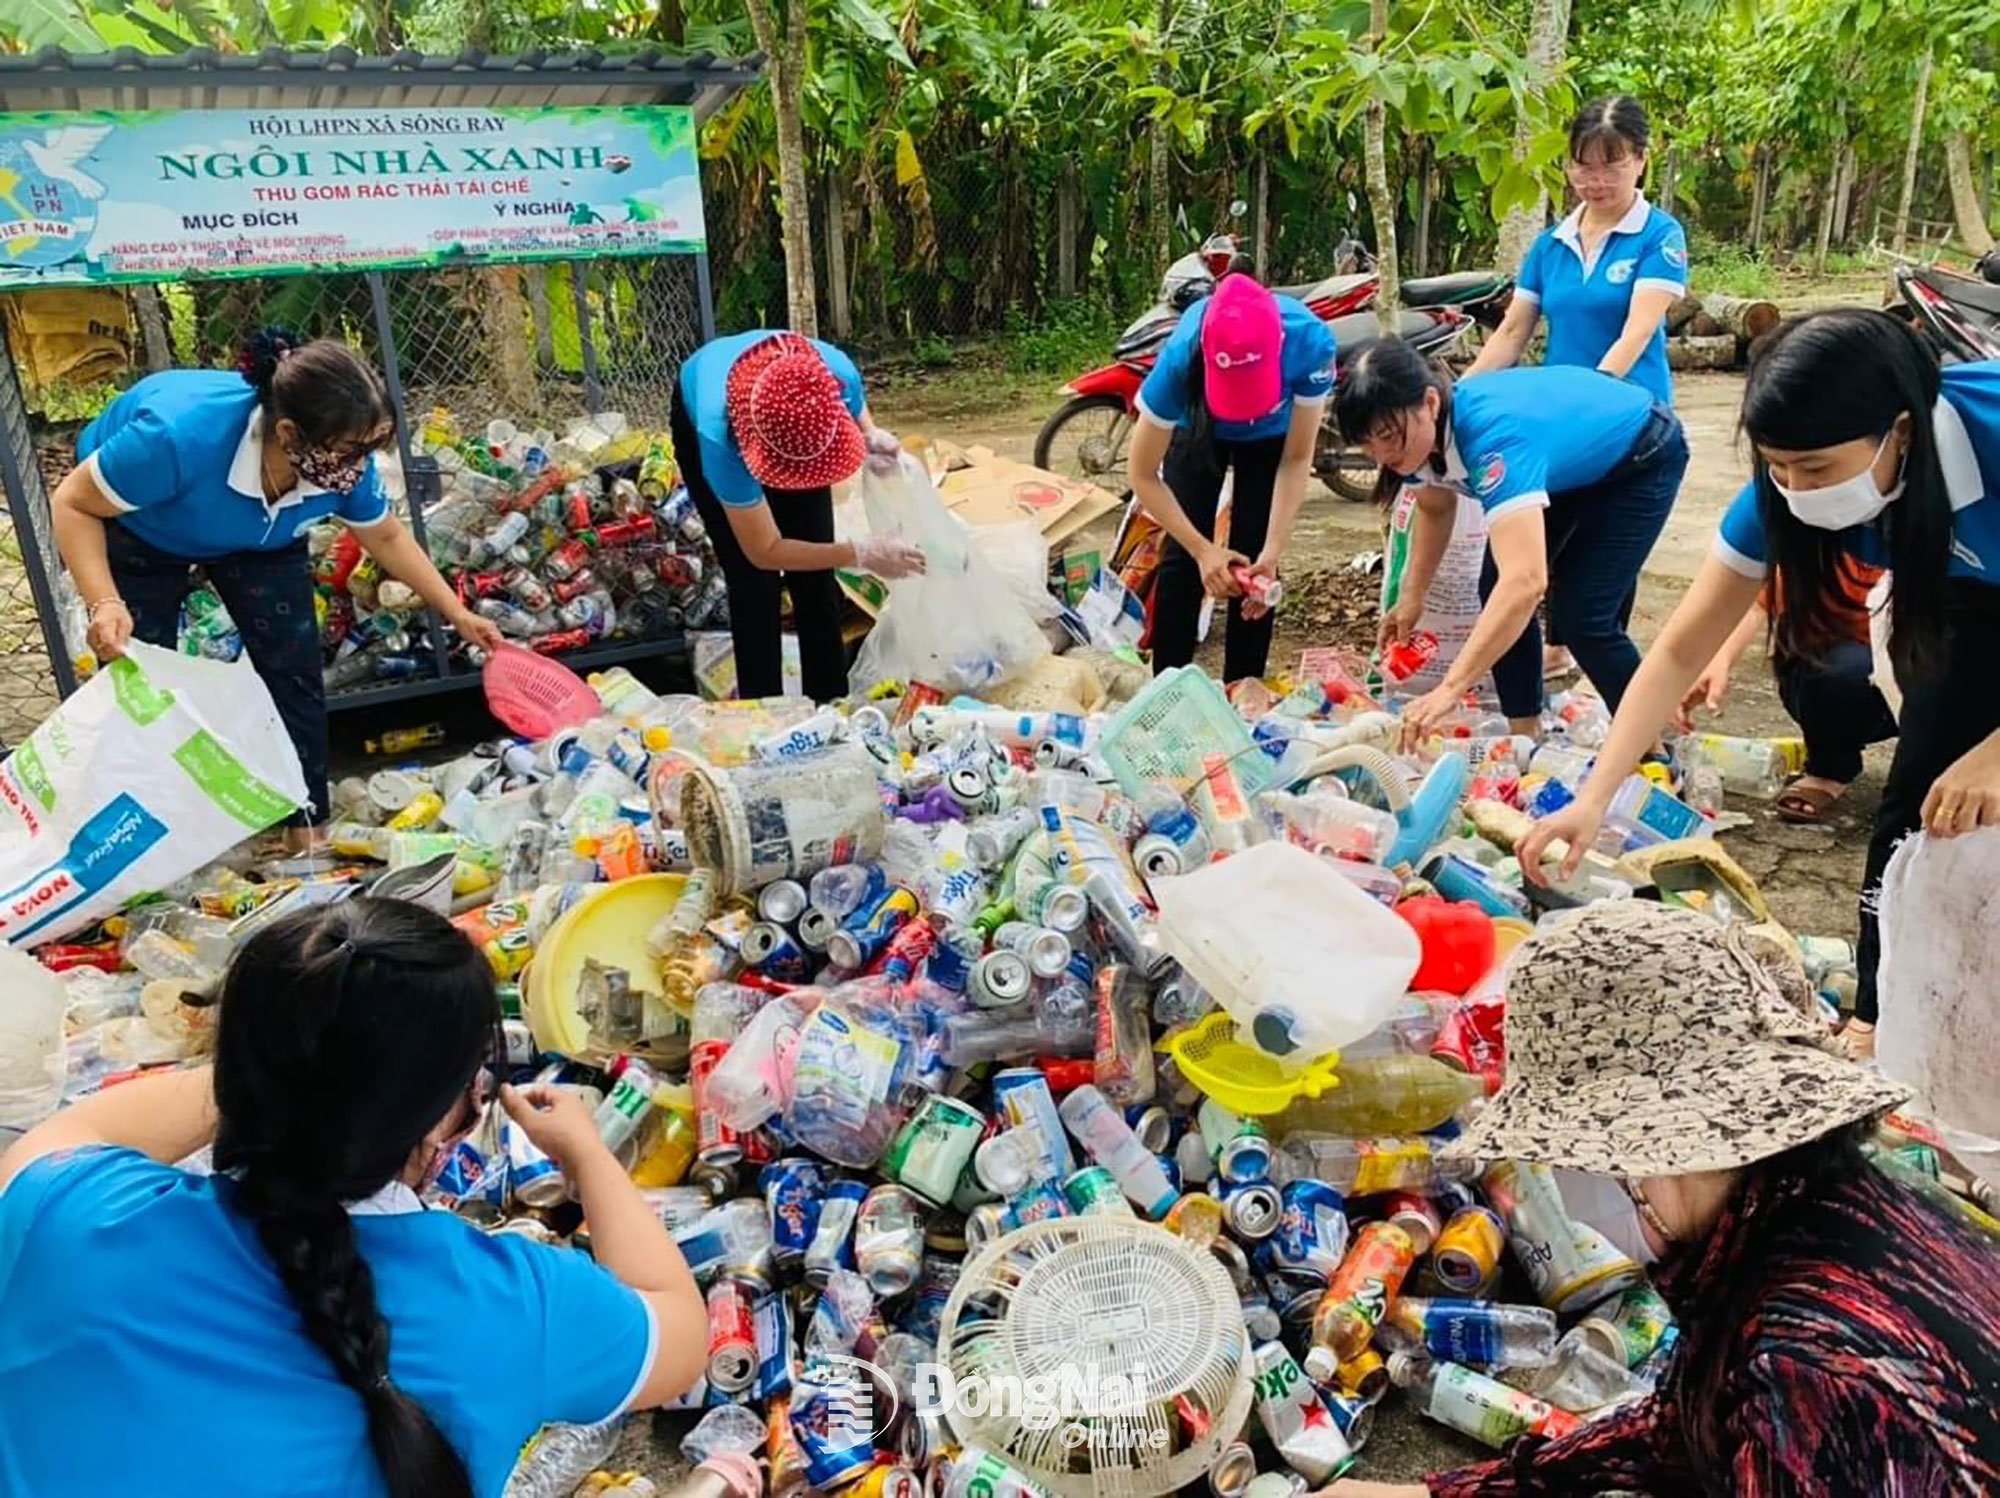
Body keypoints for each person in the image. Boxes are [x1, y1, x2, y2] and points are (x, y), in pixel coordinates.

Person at [0, 899, 706, 1497]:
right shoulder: (510, 1305)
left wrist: (285, 1059)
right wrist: (586, 1154)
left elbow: (77, 1125)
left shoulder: (72, 1217)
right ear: (437, 1121)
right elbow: (682, 1333)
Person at [1316, 901, 2000, 1498]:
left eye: (1571, 1157)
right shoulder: (1816, 1207)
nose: (1566, 1184)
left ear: (1656, 1156)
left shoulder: (1807, 1376)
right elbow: (1682, 1425)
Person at [1521, 311, 2000, 1060]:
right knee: (1918, 814)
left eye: (1815, 470)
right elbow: (1680, 648)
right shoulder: (1780, 495)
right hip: (1968, 599)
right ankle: (1884, 1018)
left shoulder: (1991, 435)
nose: (1794, 488)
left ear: (1900, 431)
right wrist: (1594, 797)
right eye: (1778, 465)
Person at [51, 330, 505, 842]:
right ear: (289, 433)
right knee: (139, 679)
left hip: (262, 538)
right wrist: (104, 602)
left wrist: (457, 612)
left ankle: (304, 826)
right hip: (146, 526)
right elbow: (72, 502)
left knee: (294, 669)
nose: (361, 467)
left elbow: (385, 534)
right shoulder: (176, 437)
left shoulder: (340, 469)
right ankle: (137, 832)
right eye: (351, 451)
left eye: (371, 449)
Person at [1336, 339, 1688, 745]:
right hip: (1568, 463)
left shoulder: (1491, 441)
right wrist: (1412, 597)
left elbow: (1525, 582)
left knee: (1583, 617)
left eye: (1387, 437)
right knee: (1493, 585)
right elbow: (1435, 509)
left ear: (1430, 403)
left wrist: (1450, 688)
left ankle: (1650, 748)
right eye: (1367, 445)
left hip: (1641, 452)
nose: (1382, 456)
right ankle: (1525, 737)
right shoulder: (1417, 444)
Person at [1468, 96, 1690, 683]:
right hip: (1555, 429)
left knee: (1603, 564)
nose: (1595, 181)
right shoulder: (1550, 244)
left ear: (1641, 162)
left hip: (1629, 418)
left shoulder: (1658, 235)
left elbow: (1637, 330)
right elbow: (1514, 331)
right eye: (1582, 166)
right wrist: (1458, 400)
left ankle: (1600, 675)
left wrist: (1589, 400)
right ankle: (1542, 681)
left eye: (1611, 165)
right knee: (1529, 558)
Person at [672, 330, 926, 702]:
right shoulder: (718, 433)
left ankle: (831, 708)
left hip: (792, 422)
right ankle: (765, 715)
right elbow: (764, 549)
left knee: (816, 578)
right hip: (717, 412)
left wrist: (870, 434)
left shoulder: (832, 372)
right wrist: (860, 553)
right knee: (754, 585)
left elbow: (855, 405)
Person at [1126, 273, 1336, 682]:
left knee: (1256, 560)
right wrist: (1203, 550)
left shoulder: (1309, 343)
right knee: (1183, 562)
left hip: (1271, 438)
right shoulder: (1180, 358)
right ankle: (1170, 693)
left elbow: (1295, 459)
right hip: (1199, 426)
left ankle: (1245, 694)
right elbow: (1142, 473)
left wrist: (1274, 550)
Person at [1684, 558, 1897, 823]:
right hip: (1834, 676)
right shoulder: (1826, 539)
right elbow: (1756, 606)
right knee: (1839, 668)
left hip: (1915, 677)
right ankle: (1828, 768)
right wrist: (1719, 661)